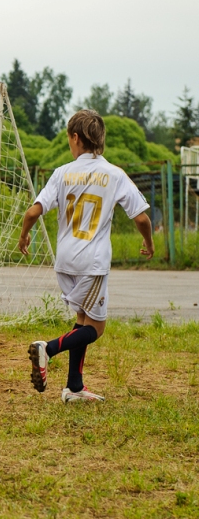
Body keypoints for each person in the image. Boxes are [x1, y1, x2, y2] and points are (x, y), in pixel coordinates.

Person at [19, 110, 153, 402]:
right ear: (99, 140)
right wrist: (148, 242)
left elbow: (33, 211)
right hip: (92, 262)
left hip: (65, 260)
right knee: (96, 328)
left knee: (82, 318)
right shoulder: (114, 174)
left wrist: (24, 234)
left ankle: (74, 387)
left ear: (75, 138)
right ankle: (48, 348)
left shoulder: (62, 172)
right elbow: (141, 218)